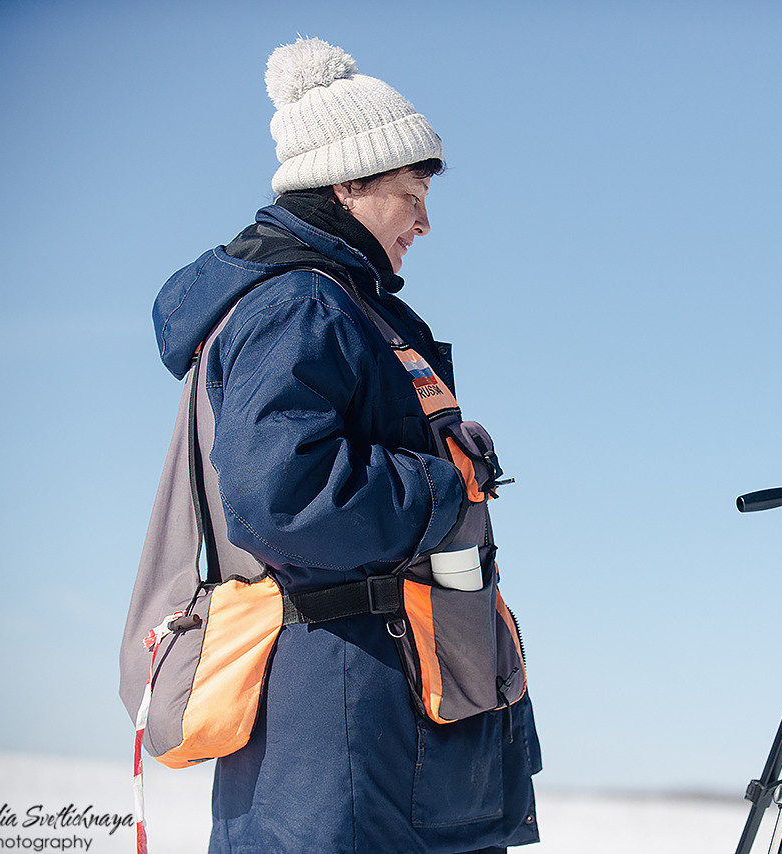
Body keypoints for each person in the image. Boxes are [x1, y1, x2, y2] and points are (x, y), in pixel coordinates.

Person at [149, 37, 541, 853]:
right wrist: (439, 488)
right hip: (344, 724)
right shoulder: (298, 305)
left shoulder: (354, 307)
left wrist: (451, 453)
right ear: (347, 184)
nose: (425, 222)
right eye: (409, 195)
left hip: (399, 716)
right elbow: (284, 495)